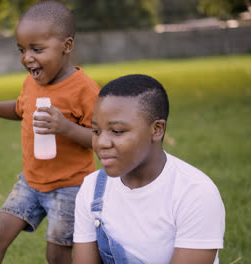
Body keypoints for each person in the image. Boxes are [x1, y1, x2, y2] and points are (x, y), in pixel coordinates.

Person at [0, 2, 99, 264]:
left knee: (56, 254)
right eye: (22, 50)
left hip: (70, 187)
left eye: (37, 49)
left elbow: (102, 139)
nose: (27, 58)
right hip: (31, 182)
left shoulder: (84, 89)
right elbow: (20, 108)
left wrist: (65, 128)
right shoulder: (32, 82)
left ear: (67, 46)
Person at [72, 74, 225, 264]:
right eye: (96, 131)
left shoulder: (195, 192)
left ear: (157, 129)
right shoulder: (93, 188)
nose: (101, 142)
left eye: (117, 131)